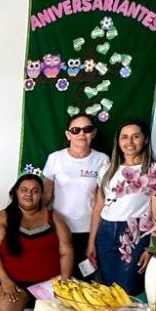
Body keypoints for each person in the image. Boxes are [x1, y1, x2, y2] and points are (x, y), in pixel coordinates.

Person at [0, 174, 74, 311]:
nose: (29, 195)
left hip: (49, 282)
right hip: (13, 281)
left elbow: (67, 250)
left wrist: (64, 279)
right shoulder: (4, 217)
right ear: (15, 192)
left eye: (35, 191)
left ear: (42, 195)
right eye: (24, 190)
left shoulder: (53, 218)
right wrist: (5, 281)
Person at [87, 121, 156, 296]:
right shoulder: (107, 169)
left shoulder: (154, 171)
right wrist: (91, 242)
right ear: (118, 141)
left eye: (136, 136)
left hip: (134, 233)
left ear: (145, 140)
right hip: (105, 231)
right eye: (124, 137)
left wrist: (151, 247)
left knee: (128, 288)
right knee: (107, 287)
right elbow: (99, 206)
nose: (130, 142)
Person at [42, 114, 110, 273]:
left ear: (93, 133)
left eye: (87, 129)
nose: (81, 134)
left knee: (83, 279)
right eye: (75, 130)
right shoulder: (55, 158)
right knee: (57, 277)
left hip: (89, 230)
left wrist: (93, 239)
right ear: (68, 134)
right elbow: (45, 196)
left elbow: (103, 200)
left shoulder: (102, 160)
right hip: (59, 229)